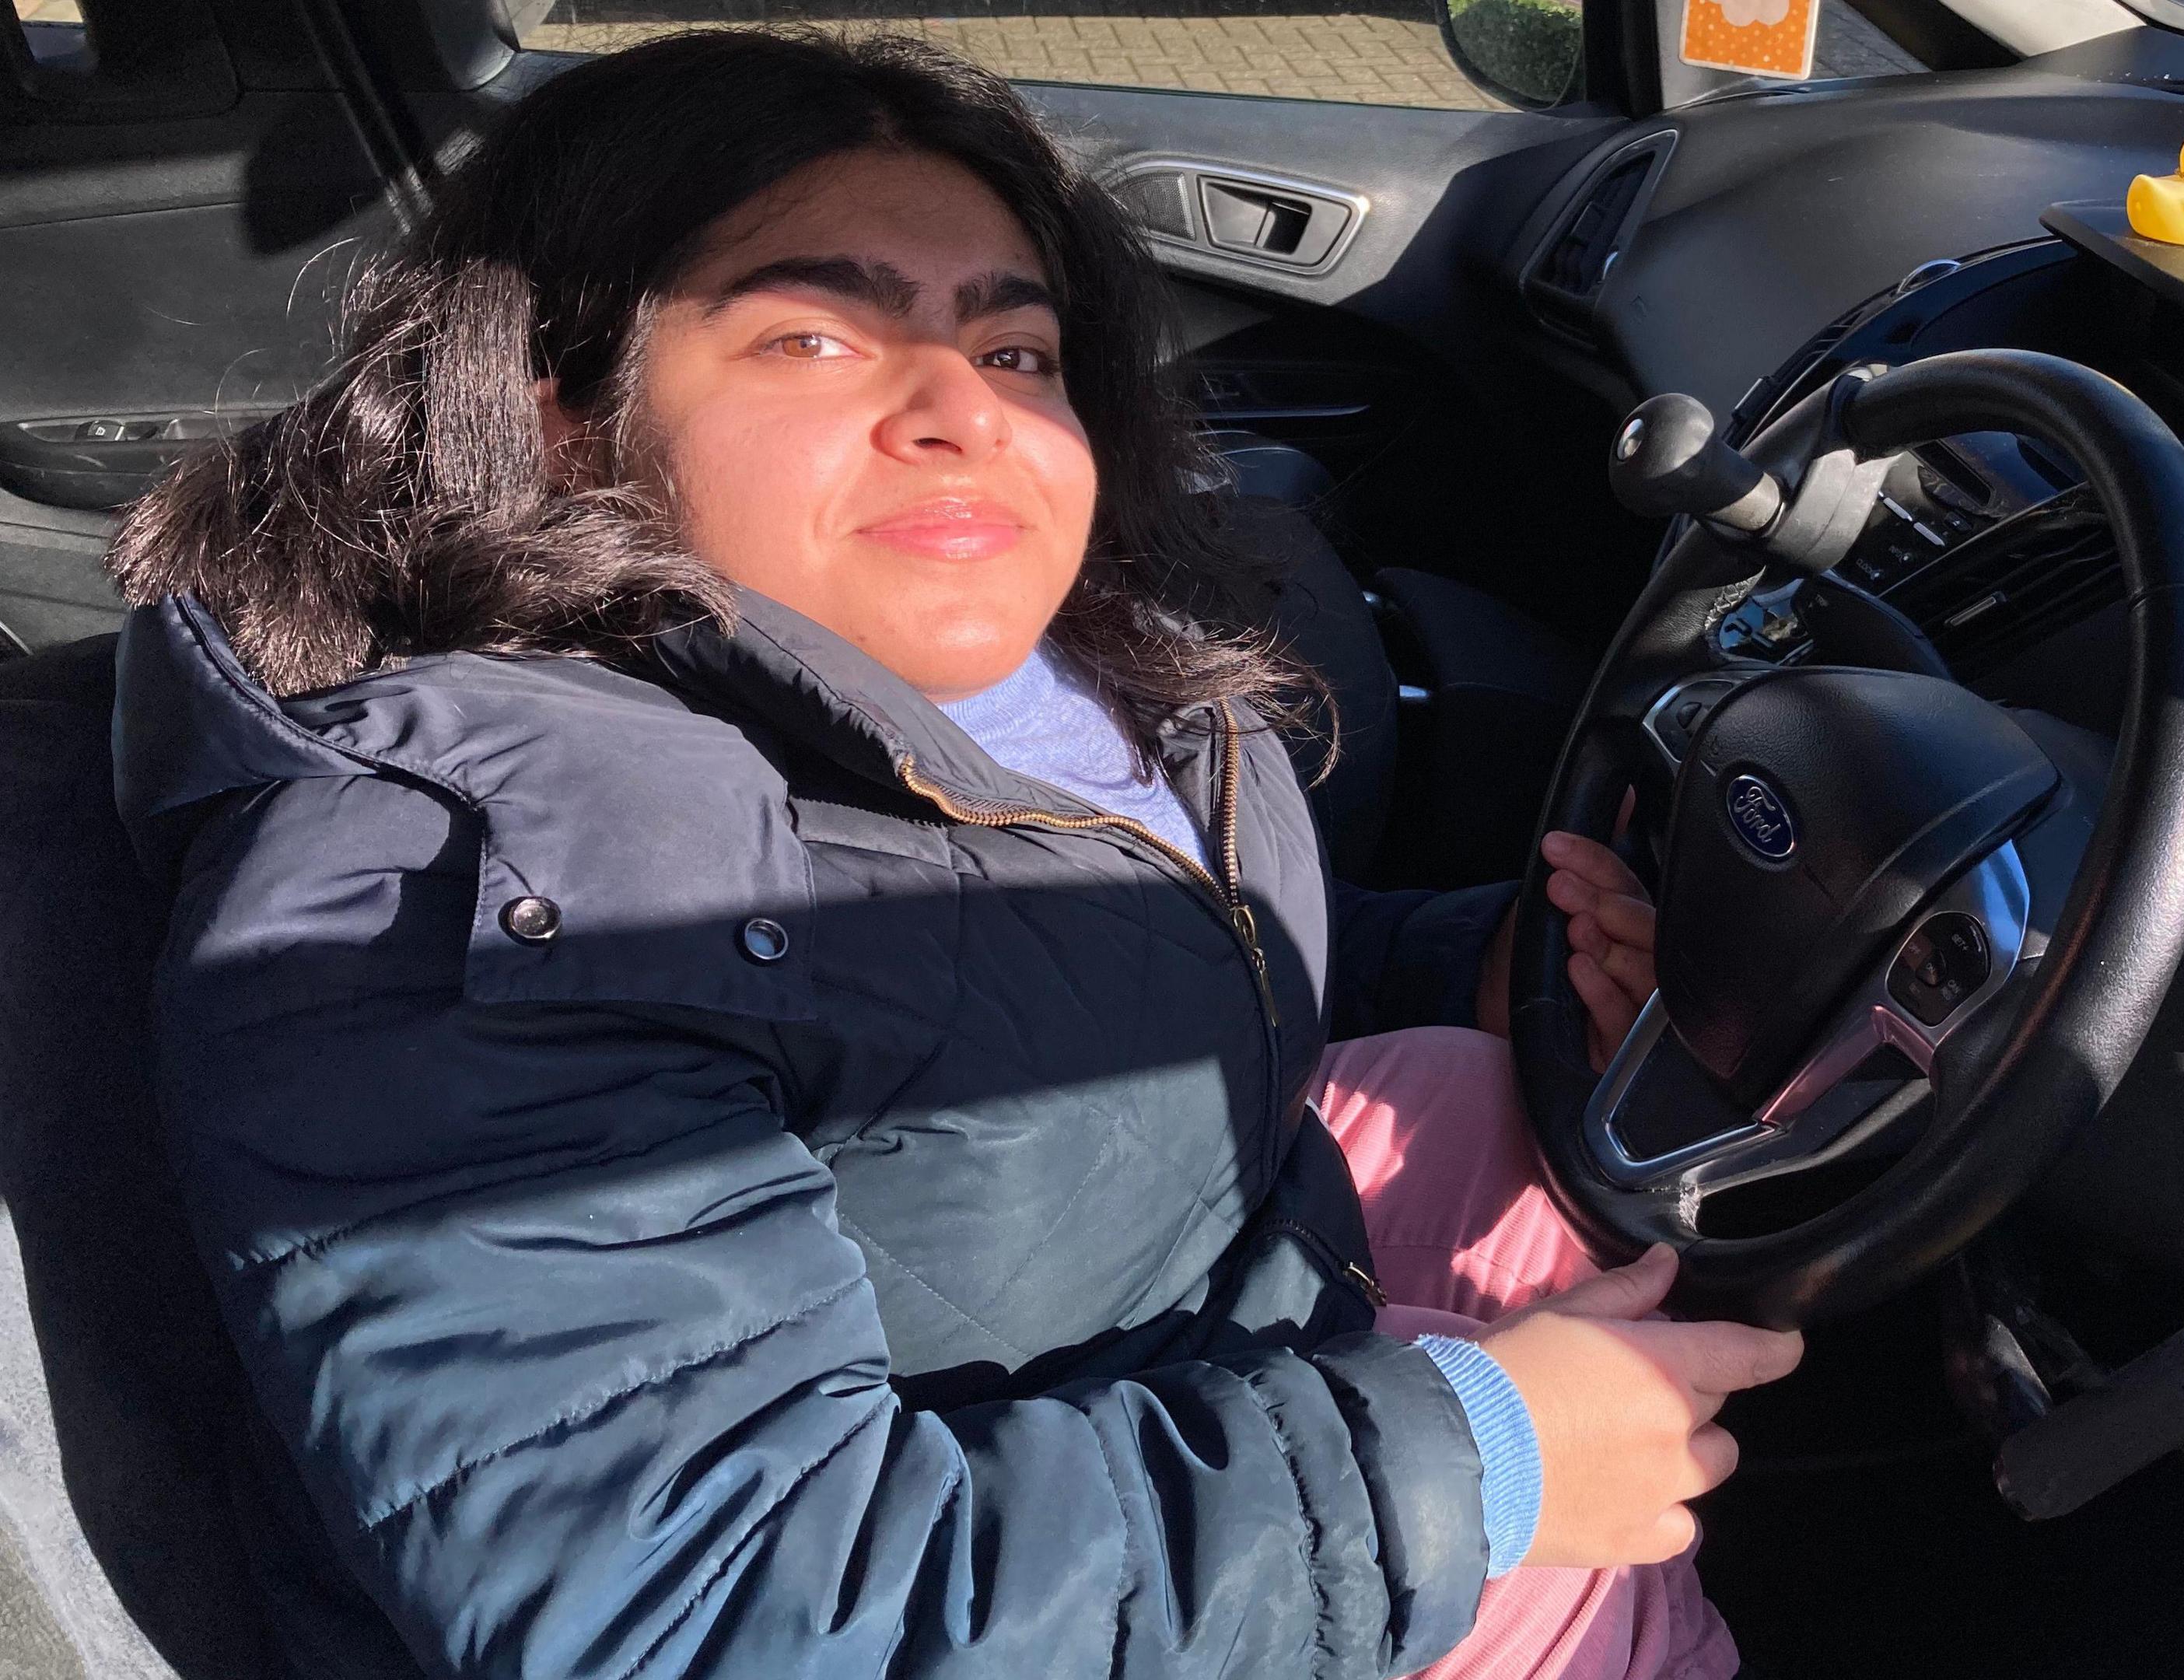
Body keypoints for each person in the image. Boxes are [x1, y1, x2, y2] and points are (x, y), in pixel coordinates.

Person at [103, 27, 1802, 1680]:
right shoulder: (462, 894)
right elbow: (710, 1606)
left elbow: (1098, 953)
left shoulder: (1048, 676)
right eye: (810, 338)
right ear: (558, 414)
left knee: (1480, 1082)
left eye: (1015, 352)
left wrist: (1471, 962)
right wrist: (1471, 1465)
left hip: (1159, 1323)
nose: (960, 411)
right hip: (960, 1564)